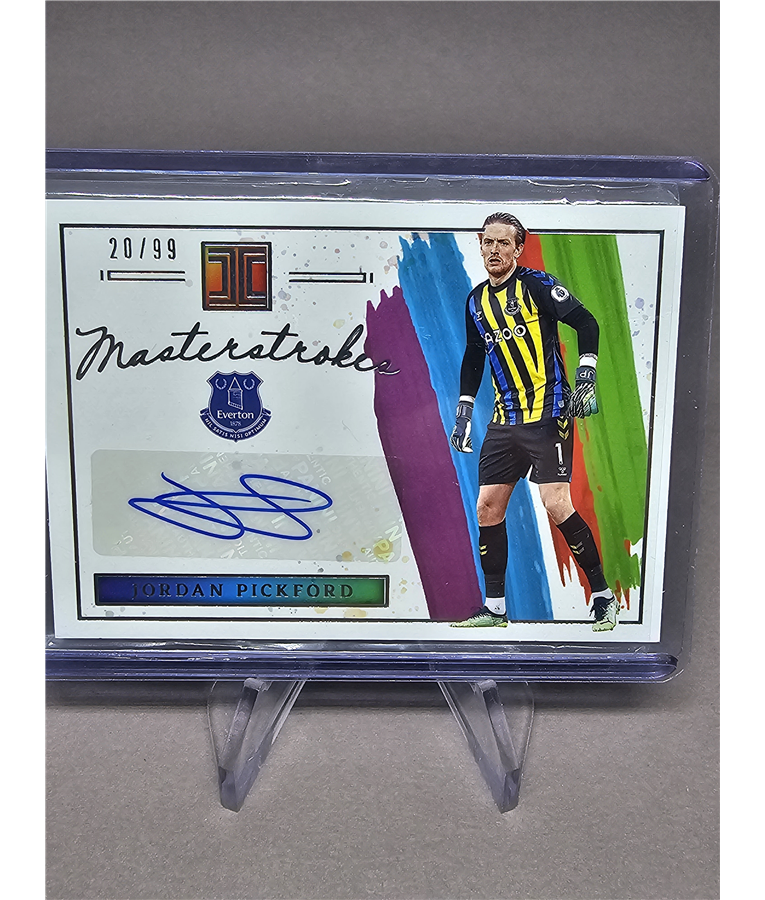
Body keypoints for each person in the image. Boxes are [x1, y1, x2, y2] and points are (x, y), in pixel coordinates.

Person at [449, 212, 619, 632]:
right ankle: (494, 609)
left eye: (504, 243)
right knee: (487, 508)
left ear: (518, 248)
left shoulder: (537, 285)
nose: (494, 250)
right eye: (488, 242)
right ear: (480, 244)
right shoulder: (475, 301)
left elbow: (586, 322)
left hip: (549, 412)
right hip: (505, 419)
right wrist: (465, 410)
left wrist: (586, 374)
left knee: (556, 504)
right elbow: (474, 355)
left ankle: (603, 596)